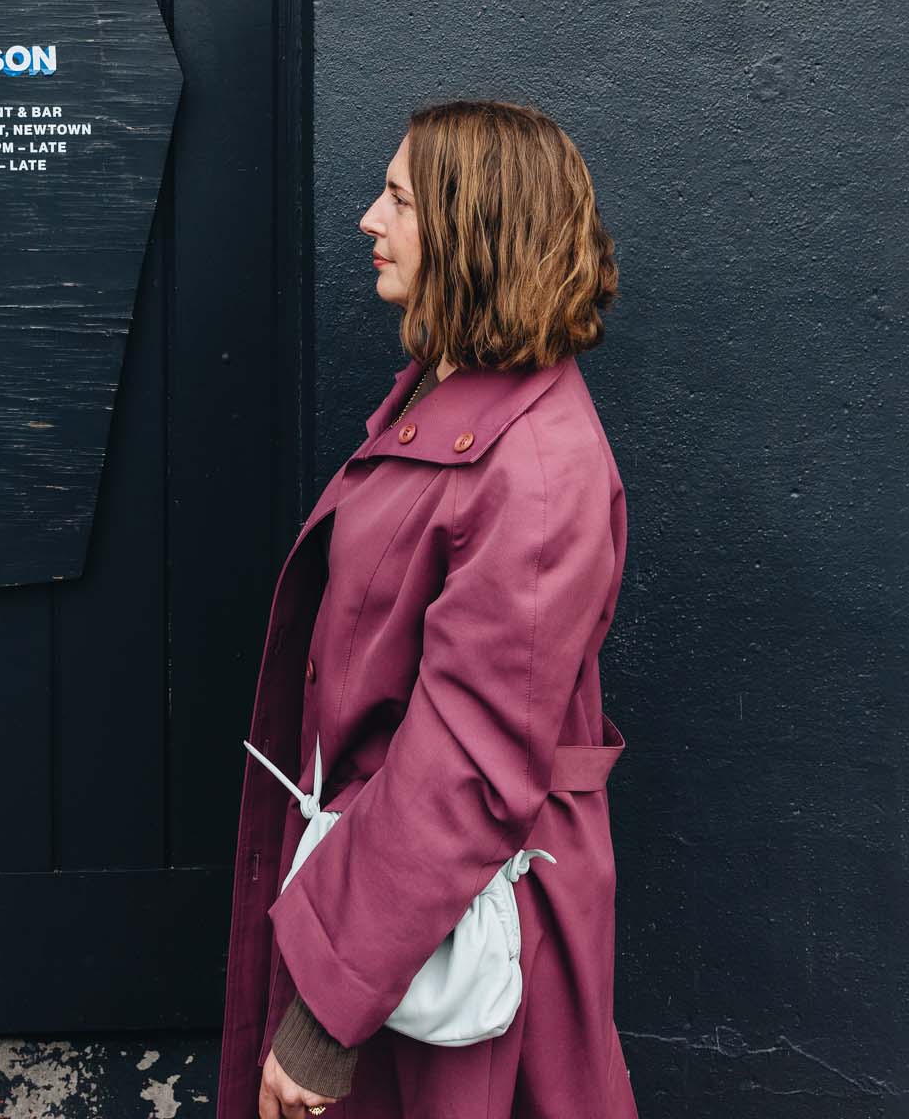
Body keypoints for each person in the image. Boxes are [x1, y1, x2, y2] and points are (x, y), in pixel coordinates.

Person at [214, 98, 638, 1119]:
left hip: (442, 934)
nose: (368, 217)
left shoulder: (536, 469)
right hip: (382, 898)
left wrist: (324, 1019)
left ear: (473, 228)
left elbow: (466, 766)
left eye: (398, 198)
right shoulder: (448, 392)